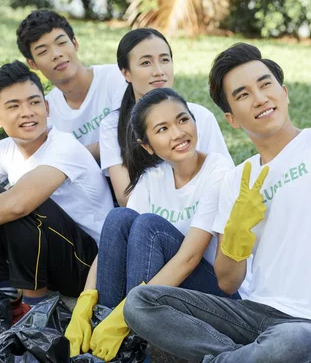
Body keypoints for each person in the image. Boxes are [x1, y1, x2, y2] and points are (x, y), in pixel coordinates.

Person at [122, 0, 311, 362]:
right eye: (242, 95)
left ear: (284, 93)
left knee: (289, 344)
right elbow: (227, 281)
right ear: (232, 119)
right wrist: (237, 241)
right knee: (141, 302)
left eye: (265, 84)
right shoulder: (237, 179)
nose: (259, 98)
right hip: (254, 316)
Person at [65, 88, 241, 361]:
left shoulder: (218, 171)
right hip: (163, 294)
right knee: (119, 218)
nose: (178, 133)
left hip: (215, 296)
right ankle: (104, 329)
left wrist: (126, 316)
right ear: (146, 145)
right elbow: (111, 242)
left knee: (150, 227)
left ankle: (132, 336)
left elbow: (190, 258)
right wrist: (86, 299)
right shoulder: (153, 177)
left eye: (183, 120)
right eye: (162, 129)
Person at [0, 61, 113, 324]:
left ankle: (34, 309)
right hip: (49, 255)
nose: (27, 112)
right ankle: (3, 294)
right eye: (14, 106)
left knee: (21, 202)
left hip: (87, 266)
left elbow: (19, 205)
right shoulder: (5, 149)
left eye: (34, 102)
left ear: (47, 107)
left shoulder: (63, 146)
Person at [99, 28, 232, 206]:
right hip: (146, 217)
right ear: (126, 73)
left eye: (165, 60)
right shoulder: (113, 124)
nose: (159, 71)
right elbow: (125, 198)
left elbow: (224, 181)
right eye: (146, 63)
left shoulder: (200, 116)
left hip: (198, 215)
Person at [16, 10, 127, 164]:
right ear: (32, 64)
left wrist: (71, 158)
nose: (56, 54)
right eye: (43, 51)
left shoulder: (117, 78)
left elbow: (132, 137)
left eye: (61, 43)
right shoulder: (46, 110)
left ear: (75, 43)